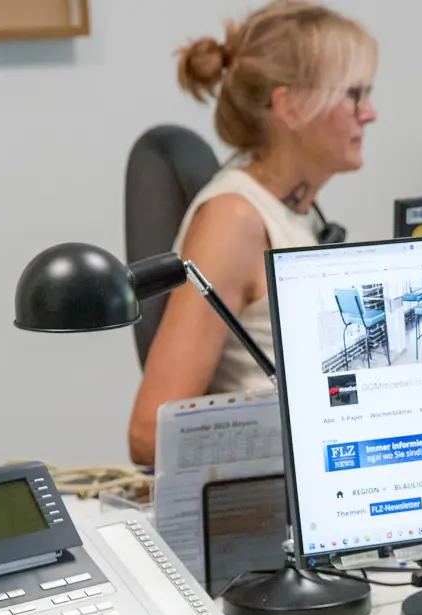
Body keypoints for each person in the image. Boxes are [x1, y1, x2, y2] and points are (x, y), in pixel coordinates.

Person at [127, 1, 377, 465]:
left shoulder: (292, 207)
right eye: (354, 95)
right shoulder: (234, 220)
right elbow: (148, 433)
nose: (370, 113)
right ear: (291, 107)